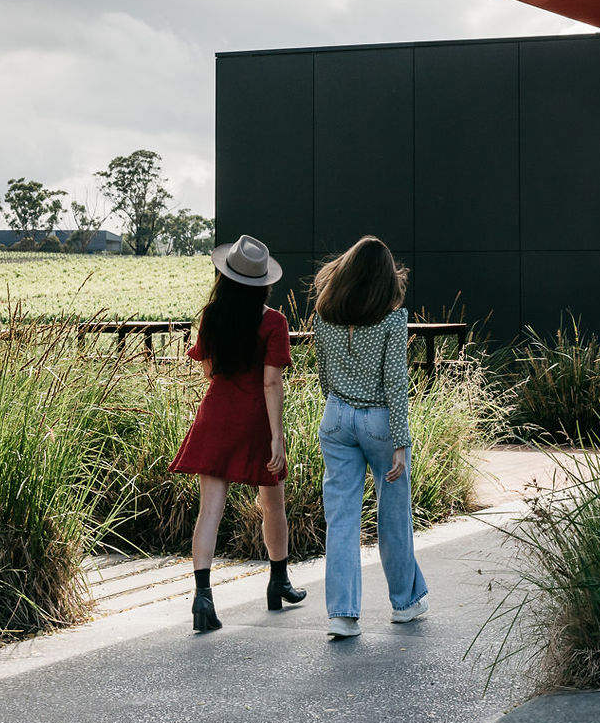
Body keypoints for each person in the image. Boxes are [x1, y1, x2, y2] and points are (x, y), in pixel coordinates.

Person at [168, 234, 306, 632]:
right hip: (255, 421)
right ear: (264, 282)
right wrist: (276, 436)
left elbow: (209, 372)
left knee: (209, 511)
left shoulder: (212, 315)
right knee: (272, 503)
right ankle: (278, 581)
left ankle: (203, 599)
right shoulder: (274, 322)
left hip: (215, 417)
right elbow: (271, 383)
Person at [311, 235, 427, 639]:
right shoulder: (394, 321)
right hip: (380, 421)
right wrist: (400, 442)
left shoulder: (323, 316)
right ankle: (405, 603)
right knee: (393, 515)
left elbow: (323, 375)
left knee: (340, 518)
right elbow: (396, 384)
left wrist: (342, 401)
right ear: (383, 280)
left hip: (336, 417)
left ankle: (342, 614)